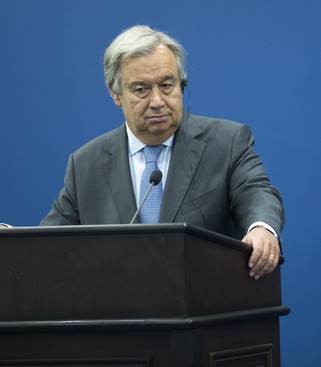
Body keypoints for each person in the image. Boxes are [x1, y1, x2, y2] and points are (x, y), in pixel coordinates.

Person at [38, 25, 285, 280]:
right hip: (118, 311)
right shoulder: (86, 164)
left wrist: (262, 228)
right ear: (116, 95)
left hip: (205, 305)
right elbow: (47, 243)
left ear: (181, 85)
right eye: (141, 89)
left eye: (167, 85)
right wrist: (7, 239)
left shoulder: (227, 142)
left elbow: (257, 192)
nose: (157, 101)